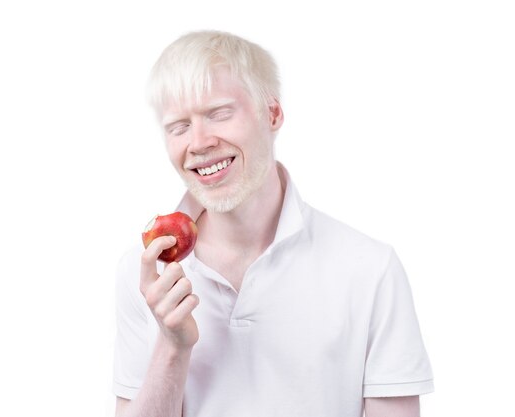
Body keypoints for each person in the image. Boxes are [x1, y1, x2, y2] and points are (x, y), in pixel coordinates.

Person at [113, 30, 433, 417]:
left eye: (218, 113)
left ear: (273, 114)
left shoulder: (370, 268)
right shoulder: (144, 273)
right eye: (179, 126)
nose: (198, 142)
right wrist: (172, 344)